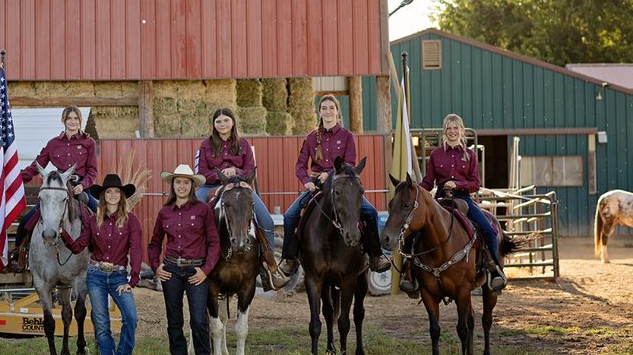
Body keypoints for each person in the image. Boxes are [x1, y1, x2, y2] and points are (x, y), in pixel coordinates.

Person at [279, 94, 384, 276]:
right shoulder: (311, 137)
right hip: (316, 185)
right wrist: (306, 182)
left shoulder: (346, 136)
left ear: (337, 111)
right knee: (289, 216)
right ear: (319, 112)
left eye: (331, 108)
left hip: (342, 184)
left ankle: (375, 255)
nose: (328, 111)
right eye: (324, 108)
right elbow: (300, 165)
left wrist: (331, 174)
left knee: (371, 212)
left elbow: (350, 163)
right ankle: (289, 259)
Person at [404, 113, 507, 293]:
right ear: (444, 131)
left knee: (488, 230)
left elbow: (475, 184)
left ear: (461, 130)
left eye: (455, 128)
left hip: (464, 199)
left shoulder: (470, 155)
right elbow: (428, 182)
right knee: (414, 230)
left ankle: (495, 271)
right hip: (441, 199)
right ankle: (411, 275)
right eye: (449, 128)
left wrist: (458, 184)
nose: (452, 131)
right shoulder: (436, 155)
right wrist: (414, 190)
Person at [194, 107, 288, 290]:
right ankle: (195, 261)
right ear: (214, 124)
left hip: (241, 187)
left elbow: (250, 168)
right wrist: (221, 176)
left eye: (226, 120)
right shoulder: (205, 145)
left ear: (233, 122)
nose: (222, 124)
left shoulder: (243, 144)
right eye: (218, 121)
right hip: (211, 186)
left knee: (266, 221)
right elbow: (201, 173)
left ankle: (269, 266)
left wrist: (236, 172)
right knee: (195, 215)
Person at [60, 173, 141, 355]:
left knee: (131, 318)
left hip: (119, 276)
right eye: (108, 192)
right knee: (102, 323)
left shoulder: (131, 220)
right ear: (103, 195)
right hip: (95, 276)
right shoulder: (93, 219)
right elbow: (80, 246)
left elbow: (137, 250)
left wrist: (132, 281)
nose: (112, 195)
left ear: (121, 195)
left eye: (116, 192)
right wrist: (63, 234)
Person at [148, 164, 220, 355]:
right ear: (173, 185)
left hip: (196, 272)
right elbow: (154, 243)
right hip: (171, 270)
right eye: (177, 182)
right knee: (174, 320)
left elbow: (214, 243)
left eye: (185, 182)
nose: (181, 186)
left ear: (192, 186)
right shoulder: (165, 212)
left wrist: (205, 271)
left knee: (198, 320)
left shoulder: (203, 210)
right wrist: (156, 266)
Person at [7, 106, 98, 270]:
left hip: (79, 189)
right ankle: (20, 254)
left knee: (101, 217)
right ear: (63, 120)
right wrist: (15, 180)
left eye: (75, 118)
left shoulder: (88, 143)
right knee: (27, 222)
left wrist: (82, 186)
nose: (72, 122)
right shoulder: (53, 144)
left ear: (80, 121)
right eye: (69, 118)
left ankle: (101, 257)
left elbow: (92, 171)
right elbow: (36, 166)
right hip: (57, 191)